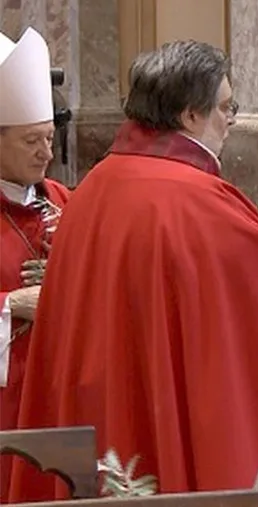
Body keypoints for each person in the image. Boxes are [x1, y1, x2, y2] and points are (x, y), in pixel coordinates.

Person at [8, 40, 258, 507]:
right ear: (189, 115)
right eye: (225, 106)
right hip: (170, 411)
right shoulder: (205, 204)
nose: (231, 118)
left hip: (97, 412)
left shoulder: (93, 188)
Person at [0, 26, 70, 504]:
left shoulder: (67, 203)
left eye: (49, 137)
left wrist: (68, 282)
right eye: (31, 142)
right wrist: (12, 305)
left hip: (62, 391)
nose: (47, 153)